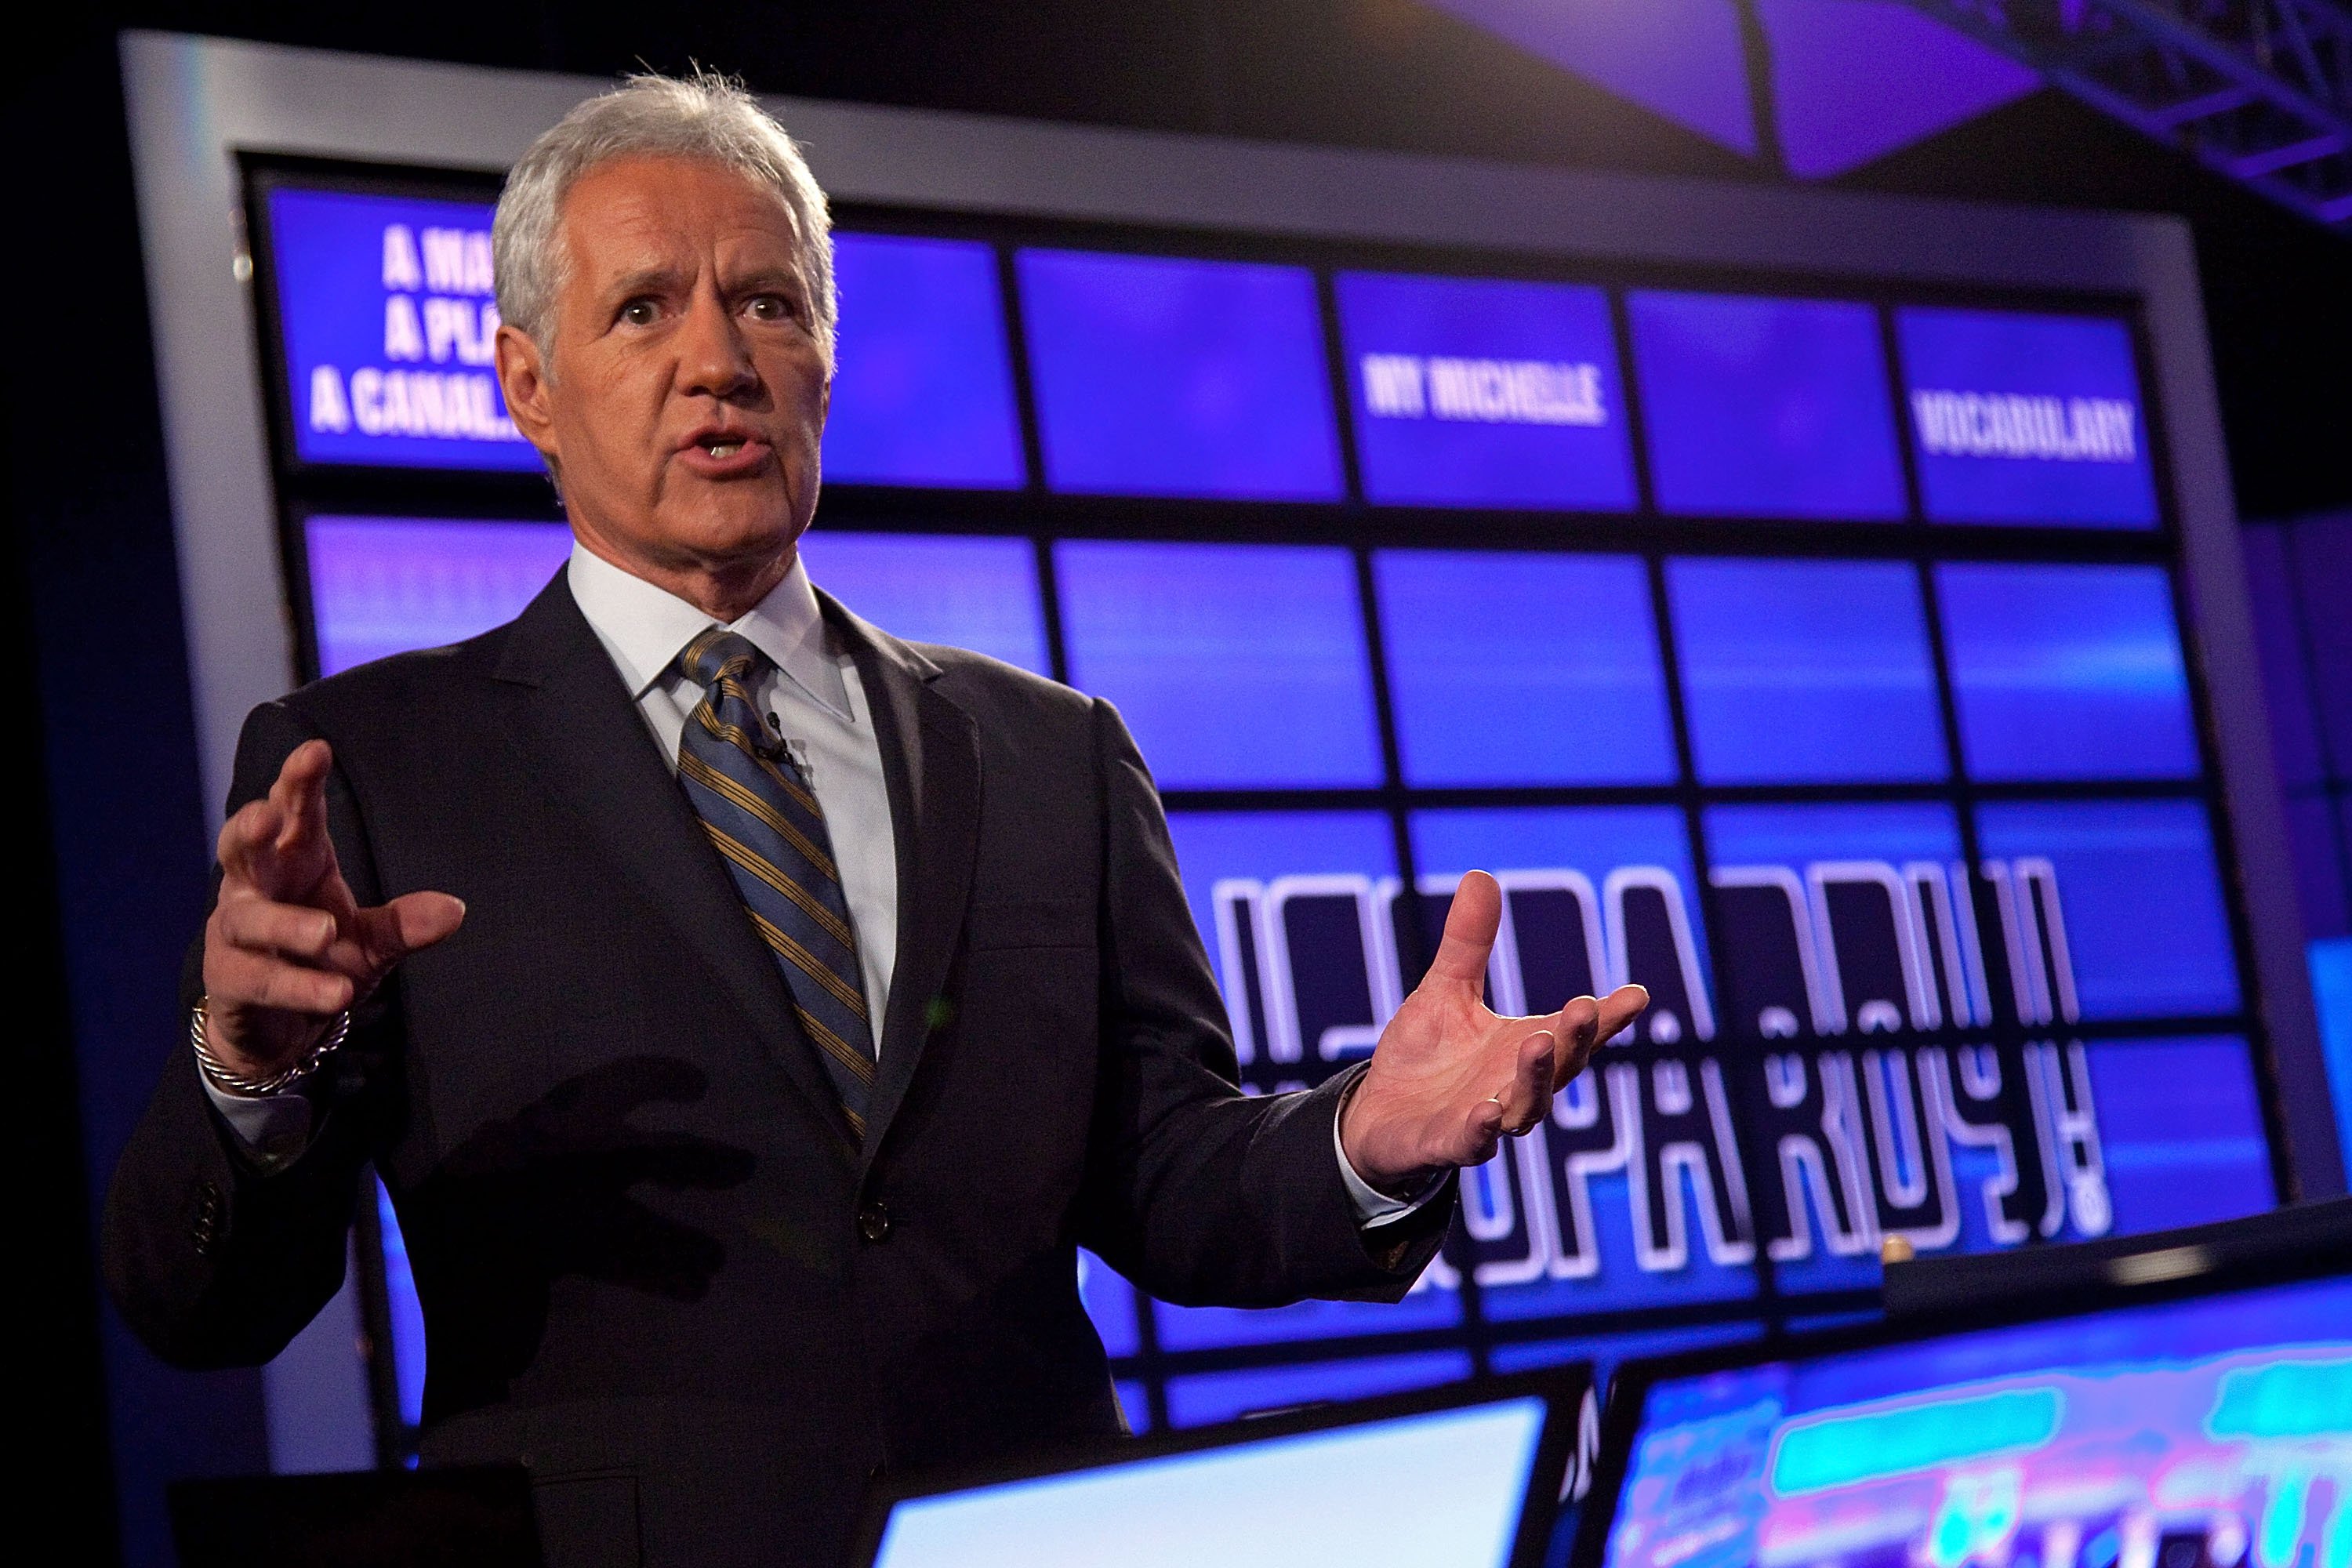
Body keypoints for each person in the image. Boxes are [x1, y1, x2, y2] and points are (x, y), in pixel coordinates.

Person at [104, 71, 1647, 1568]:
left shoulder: (1052, 752)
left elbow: (1166, 1174)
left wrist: (1360, 1141)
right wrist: (247, 1064)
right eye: (646, 308)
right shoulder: (370, 764)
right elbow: (206, 1310)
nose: (721, 359)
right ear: (527, 386)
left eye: (768, 301)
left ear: (827, 357)